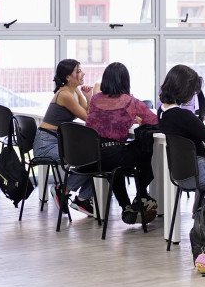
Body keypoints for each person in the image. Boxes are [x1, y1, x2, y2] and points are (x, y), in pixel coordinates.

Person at [86, 62, 159, 225]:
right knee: (143, 143)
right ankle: (142, 193)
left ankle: (126, 206)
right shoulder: (130, 102)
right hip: (115, 156)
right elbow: (154, 121)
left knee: (114, 164)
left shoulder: (95, 99)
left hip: (93, 155)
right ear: (126, 81)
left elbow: (101, 121)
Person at [33, 59, 96, 215]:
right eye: (78, 71)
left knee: (96, 158)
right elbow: (88, 118)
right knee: (90, 158)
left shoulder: (75, 91)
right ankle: (63, 189)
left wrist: (88, 97)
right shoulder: (65, 94)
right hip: (45, 144)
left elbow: (88, 114)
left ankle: (80, 199)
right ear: (69, 77)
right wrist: (90, 98)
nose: (83, 74)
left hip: (58, 142)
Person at [157, 64, 205, 194]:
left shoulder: (162, 112)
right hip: (202, 175)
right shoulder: (184, 115)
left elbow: (186, 130)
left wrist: (202, 129)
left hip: (181, 176)